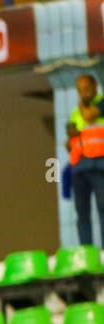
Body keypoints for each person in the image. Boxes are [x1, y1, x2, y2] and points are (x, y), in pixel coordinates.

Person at [66, 73, 104, 246]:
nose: (84, 93)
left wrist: (82, 102)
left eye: (86, 89)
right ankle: (86, 251)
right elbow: (71, 139)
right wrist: (70, 141)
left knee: (103, 208)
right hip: (79, 168)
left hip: (99, 166)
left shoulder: (101, 102)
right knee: (82, 213)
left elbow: (90, 116)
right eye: (80, 90)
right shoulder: (75, 113)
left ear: (95, 86)